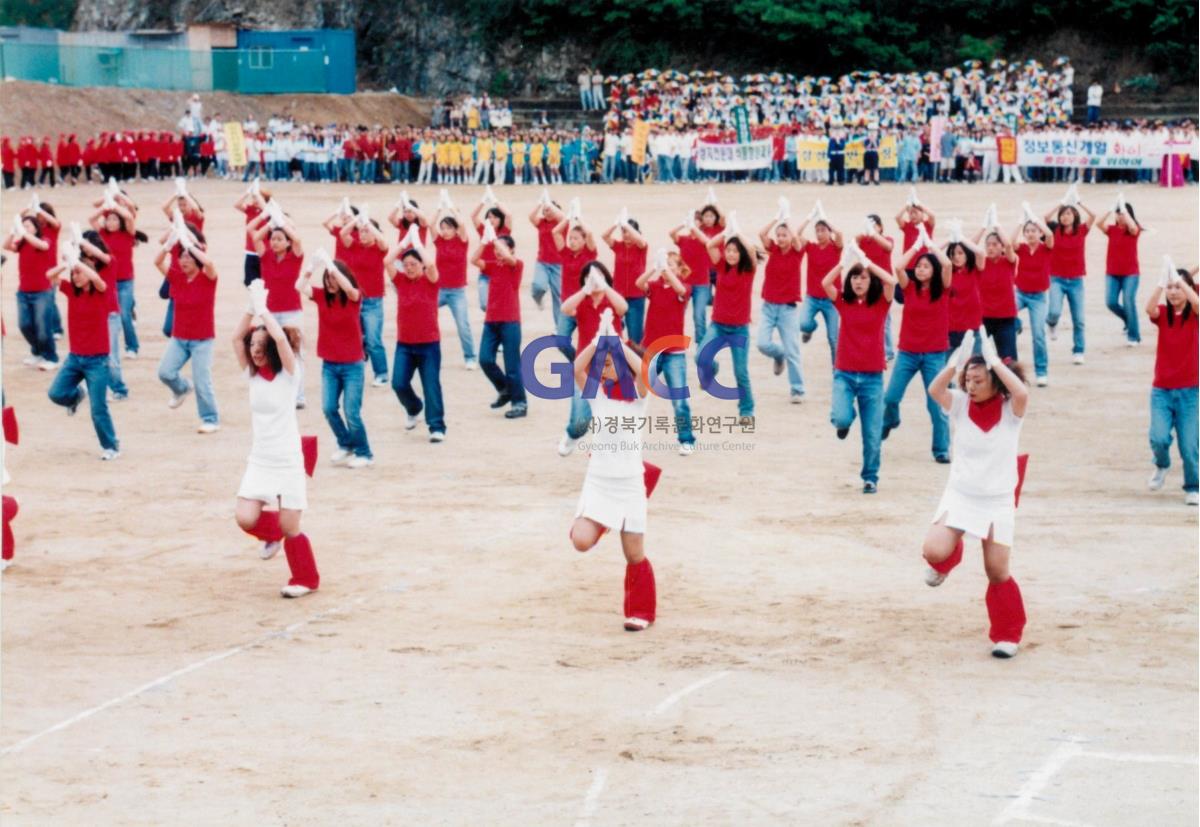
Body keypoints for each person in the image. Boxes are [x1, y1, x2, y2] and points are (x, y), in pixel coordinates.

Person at [921, 332, 1030, 659]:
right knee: (934, 550)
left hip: (997, 500)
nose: (971, 385)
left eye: (978, 379)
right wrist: (955, 363)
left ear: (995, 382)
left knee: (997, 571)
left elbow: (1022, 390)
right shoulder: (960, 404)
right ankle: (949, 559)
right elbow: (934, 390)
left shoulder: (1012, 409)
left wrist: (995, 361)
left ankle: (1007, 634)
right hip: (961, 495)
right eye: (968, 379)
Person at [568, 309, 658, 632]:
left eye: (610, 363)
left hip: (630, 485)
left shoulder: (638, 400)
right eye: (603, 364)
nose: (604, 368)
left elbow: (646, 371)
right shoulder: (597, 396)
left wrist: (619, 343)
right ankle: (601, 522)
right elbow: (576, 368)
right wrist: (596, 341)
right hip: (599, 484)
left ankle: (641, 612)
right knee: (579, 540)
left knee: (634, 554)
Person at [233, 281, 320, 598]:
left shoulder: (289, 374)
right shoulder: (251, 375)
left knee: (290, 526)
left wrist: (265, 310)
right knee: (245, 517)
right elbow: (234, 339)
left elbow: (281, 338)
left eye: (260, 345)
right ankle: (272, 536)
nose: (254, 350)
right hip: (260, 459)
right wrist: (251, 306)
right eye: (252, 345)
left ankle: (306, 579)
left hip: (288, 459)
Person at [823, 246, 897, 494]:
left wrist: (867, 262)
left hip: (872, 377)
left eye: (863, 278)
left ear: (870, 281)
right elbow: (825, 283)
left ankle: (870, 477)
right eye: (855, 277)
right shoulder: (844, 303)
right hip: (844, 373)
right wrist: (843, 264)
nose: (858, 281)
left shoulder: (880, 305)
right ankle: (845, 421)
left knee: (872, 434)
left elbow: (891, 281)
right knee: (842, 417)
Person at [45, 238, 121, 460]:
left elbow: (98, 279)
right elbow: (49, 276)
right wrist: (67, 264)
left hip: (98, 361)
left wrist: (77, 263)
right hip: (75, 358)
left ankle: (111, 446)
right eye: (74, 273)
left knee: (98, 409)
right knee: (56, 393)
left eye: (79, 273)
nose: (75, 276)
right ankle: (77, 395)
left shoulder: (101, 292)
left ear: (88, 272)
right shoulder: (71, 291)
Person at [882, 231, 953, 463]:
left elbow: (947, 263)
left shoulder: (942, 289)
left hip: (934, 354)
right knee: (891, 397)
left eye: (926, 266)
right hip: (908, 353)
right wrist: (916, 245)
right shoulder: (910, 288)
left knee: (935, 405)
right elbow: (898, 267)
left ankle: (941, 449)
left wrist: (931, 245)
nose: (921, 269)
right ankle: (891, 420)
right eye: (919, 266)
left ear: (933, 270)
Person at [299, 255, 373, 468]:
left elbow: (349, 288)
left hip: (352, 365)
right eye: (327, 279)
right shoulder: (322, 296)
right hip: (330, 364)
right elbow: (299, 285)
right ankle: (345, 443)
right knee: (329, 407)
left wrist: (331, 266)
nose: (330, 282)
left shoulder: (353, 298)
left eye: (334, 279)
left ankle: (365, 453)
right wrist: (312, 267)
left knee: (351, 411)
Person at [155, 223, 220, 433]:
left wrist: (190, 246)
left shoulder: (207, 278)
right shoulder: (176, 277)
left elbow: (208, 262)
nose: (183, 261)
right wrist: (169, 245)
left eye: (188, 257)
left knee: (203, 381)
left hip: (202, 339)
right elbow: (157, 262)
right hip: (180, 337)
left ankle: (210, 418)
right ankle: (182, 389)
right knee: (165, 372)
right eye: (181, 257)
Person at [559, 261, 627, 455]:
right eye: (590, 277)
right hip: (585, 368)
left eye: (598, 276)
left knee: (611, 414)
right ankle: (572, 435)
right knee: (580, 421)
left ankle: (605, 450)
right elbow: (565, 309)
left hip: (612, 367)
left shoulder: (611, 300)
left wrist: (605, 287)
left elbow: (623, 308)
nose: (594, 280)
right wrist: (585, 289)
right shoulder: (582, 301)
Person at [1145, 264, 1198, 506]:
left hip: (1190, 391)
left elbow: (1196, 303)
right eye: (1171, 288)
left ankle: (1193, 486)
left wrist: (1180, 280)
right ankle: (1162, 464)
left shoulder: (1195, 315)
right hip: (1162, 391)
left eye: (1178, 287)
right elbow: (1148, 308)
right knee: (1158, 438)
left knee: (1189, 445)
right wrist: (1161, 281)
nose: (1174, 292)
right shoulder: (1164, 314)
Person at [636, 250, 696, 454]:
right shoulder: (655, 286)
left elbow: (679, 287)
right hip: (652, 349)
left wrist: (666, 270)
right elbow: (639, 284)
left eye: (672, 265)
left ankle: (686, 439)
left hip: (674, 352)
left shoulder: (684, 288)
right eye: (666, 264)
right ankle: (628, 435)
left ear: (680, 269)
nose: (667, 268)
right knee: (637, 393)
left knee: (679, 399)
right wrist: (654, 267)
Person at [384, 245, 446, 442]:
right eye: (406, 264)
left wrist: (418, 245)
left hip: (429, 344)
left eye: (413, 264)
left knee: (430, 385)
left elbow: (432, 264)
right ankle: (414, 408)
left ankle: (436, 426)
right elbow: (386, 262)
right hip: (405, 344)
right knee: (398, 383)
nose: (409, 268)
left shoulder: (430, 281)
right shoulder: (401, 281)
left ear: (421, 265)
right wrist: (402, 246)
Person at [700, 221, 758, 423]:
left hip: (739, 330)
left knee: (740, 372)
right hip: (717, 325)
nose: (731, 254)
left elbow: (751, 249)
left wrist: (738, 231)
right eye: (728, 250)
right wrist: (726, 231)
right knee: (701, 357)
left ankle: (747, 410)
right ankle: (712, 370)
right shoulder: (721, 266)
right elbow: (709, 245)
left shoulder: (748, 270)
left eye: (735, 251)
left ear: (740, 254)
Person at [251, 208, 308, 407]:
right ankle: (276, 388)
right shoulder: (266, 256)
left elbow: (298, 240)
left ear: (287, 242)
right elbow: (255, 236)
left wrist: (282, 222)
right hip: (270, 312)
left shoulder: (295, 257)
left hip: (292, 311)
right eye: (272, 239)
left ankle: (299, 396)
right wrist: (270, 223)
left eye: (279, 239)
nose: (274, 242)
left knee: (295, 352)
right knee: (270, 350)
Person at [474, 234, 527, 419]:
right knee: (485, 359)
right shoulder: (492, 266)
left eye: (502, 248)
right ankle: (504, 389)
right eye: (496, 249)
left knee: (512, 364)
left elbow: (509, 258)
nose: (497, 251)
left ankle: (519, 403)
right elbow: (474, 260)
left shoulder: (516, 265)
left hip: (510, 321)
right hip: (491, 320)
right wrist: (484, 242)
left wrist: (494, 239)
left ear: (511, 249)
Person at [756, 213, 806, 404]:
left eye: (784, 235)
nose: (781, 238)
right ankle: (779, 355)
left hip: (788, 309)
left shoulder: (797, 252)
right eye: (779, 235)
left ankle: (797, 389)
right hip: (768, 306)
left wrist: (788, 224)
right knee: (762, 343)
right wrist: (776, 218)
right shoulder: (773, 249)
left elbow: (798, 242)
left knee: (793, 351)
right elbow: (761, 234)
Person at [4, 208, 58, 369]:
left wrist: (24, 233)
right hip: (24, 291)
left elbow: (42, 246)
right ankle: (37, 352)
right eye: (23, 226)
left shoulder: (45, 240)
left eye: (28, 226)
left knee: (43, 328)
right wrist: (13, 232)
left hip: (42, 291)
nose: (25, 228)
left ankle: (51, 357)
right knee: (24, 325)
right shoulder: (22, 243)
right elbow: (6, 246)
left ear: (36, 228)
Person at [1043, 200, 1096, 364]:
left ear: (1075, 216)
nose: (1065, 217)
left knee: (1079, 319)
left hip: (1076, 280)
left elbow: (1093, 216)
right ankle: (1052, 324)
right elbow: (1045, 217)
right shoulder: (1054, 230)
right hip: (1056, 279)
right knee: (1054, 312)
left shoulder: (1081, 230)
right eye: (1063, 214)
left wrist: (1079, 202)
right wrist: (1059, 204)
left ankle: (1079, 350)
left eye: (1069, 214)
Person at [432, 207, 477, 369]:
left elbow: (463, 225)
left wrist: (451, 208)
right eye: (442, 228)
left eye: (448, 228)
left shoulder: (461, 241)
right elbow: (431, 226)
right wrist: (439, 210)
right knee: (425, 315)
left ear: (455, 229)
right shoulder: (440, 242)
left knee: (463, 325)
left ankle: (470, 356)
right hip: (439, 290)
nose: (444, 231)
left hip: (457, 291)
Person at [1012, 216, 1055, 387]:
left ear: (1039, 233)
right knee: (1006, 317)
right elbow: (1009, 242)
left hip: (1038, 297)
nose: (1030, 234)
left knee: (1038, 334)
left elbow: (1050, 235)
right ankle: (1017, 324)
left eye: (1034, 231)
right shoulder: (1021, 248)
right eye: (1027, 232)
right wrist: (1021, 222)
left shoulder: (1046, 248)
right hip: (1020, 293)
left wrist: (1036, 220)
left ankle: (1041, 371)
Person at [798, 211, 844, 362]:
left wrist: (825, 218)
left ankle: (837, 370)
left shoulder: (835, 248)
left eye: (823, 230)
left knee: (833, 338)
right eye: (817, 231)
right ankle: (811, 329)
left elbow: (839, 233)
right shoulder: (811, 247)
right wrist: (809, 217)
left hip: (832, 299)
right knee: (804, 324)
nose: (819, 234)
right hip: (812, 297)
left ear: (829, 232)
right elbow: (797, 234)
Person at [1099, 199, 1143, 347]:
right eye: (1118, 214)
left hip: (1130, 273)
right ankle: (1129, 321)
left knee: (1128, 301)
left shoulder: (1134, 229)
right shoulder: (1112, 229)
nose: (1120, 216)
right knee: (1110, 302)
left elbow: (1133, 227)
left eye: (1123, 214)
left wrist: (1124, 210)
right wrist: (1110, 208)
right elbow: (1098, 223)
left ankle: (1134, 336)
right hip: (1112, 273)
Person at [602, 213, 649, 344]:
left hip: (636, 297)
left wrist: (627, 225)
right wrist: (617, 223)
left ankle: (637, 362)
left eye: (629, 232)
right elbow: (604, 236)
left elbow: (640, 240)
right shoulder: (618, 246)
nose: (626, 234)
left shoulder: (641, 248)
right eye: (623, 232)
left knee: (635, 336)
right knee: (611, 330)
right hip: (618, 296)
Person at [976, 225, 1019, 361]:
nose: (990, 248)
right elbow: (971, 246)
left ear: (1001, 247)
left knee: (1008, 360)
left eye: (995, 244)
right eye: (988, 245)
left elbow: (1009, 245)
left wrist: (997, 226)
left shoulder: (1009, 261)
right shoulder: (981, 263)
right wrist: (983, 227)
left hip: (1005, 318)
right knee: (977, 357)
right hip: (983, 318)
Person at [528, 197, 565, 323]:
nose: (547, 212)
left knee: (558, 296)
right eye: (545, 211)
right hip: (542, 262)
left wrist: (550, 204)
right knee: (538, 286)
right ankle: (538, 299)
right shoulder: (542, 222)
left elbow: (564, 217)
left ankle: (558, 326)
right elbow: (531, 216)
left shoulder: (561, 223)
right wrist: (540, 203)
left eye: (549, 210)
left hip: (558, 264)